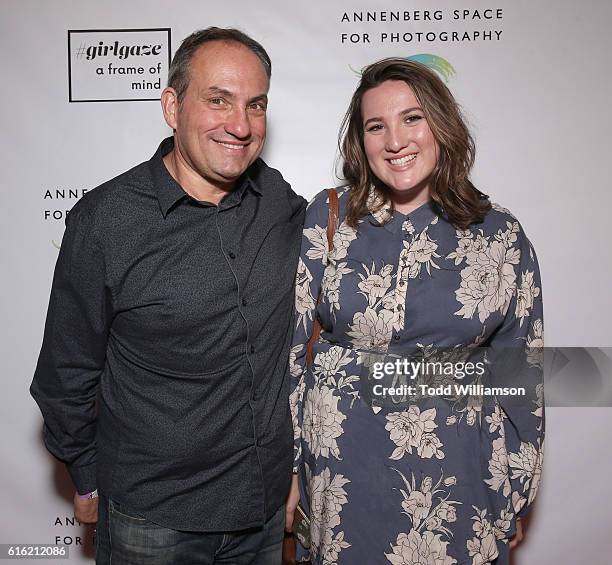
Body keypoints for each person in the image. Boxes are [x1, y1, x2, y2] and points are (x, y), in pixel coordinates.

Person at [31, 27, 305, 564]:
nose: (240, 125)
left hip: (264, 511)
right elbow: (64, 379)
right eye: (218, 100)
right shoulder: (106, 222)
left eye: (255, 105)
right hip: (153, 523)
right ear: (171, 106)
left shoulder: (277, 200)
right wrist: (87, 484)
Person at [286, 58, 544, 564]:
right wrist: (289, 469)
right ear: (360, 141)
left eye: (412, 118)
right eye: (375, 126)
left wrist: (515, 491)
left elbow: (523, 372)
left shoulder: (499, 233)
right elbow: (294, 351)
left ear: (441, 125)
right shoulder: (329, 215)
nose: (394, 140)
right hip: (343, 478)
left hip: (464, 481)